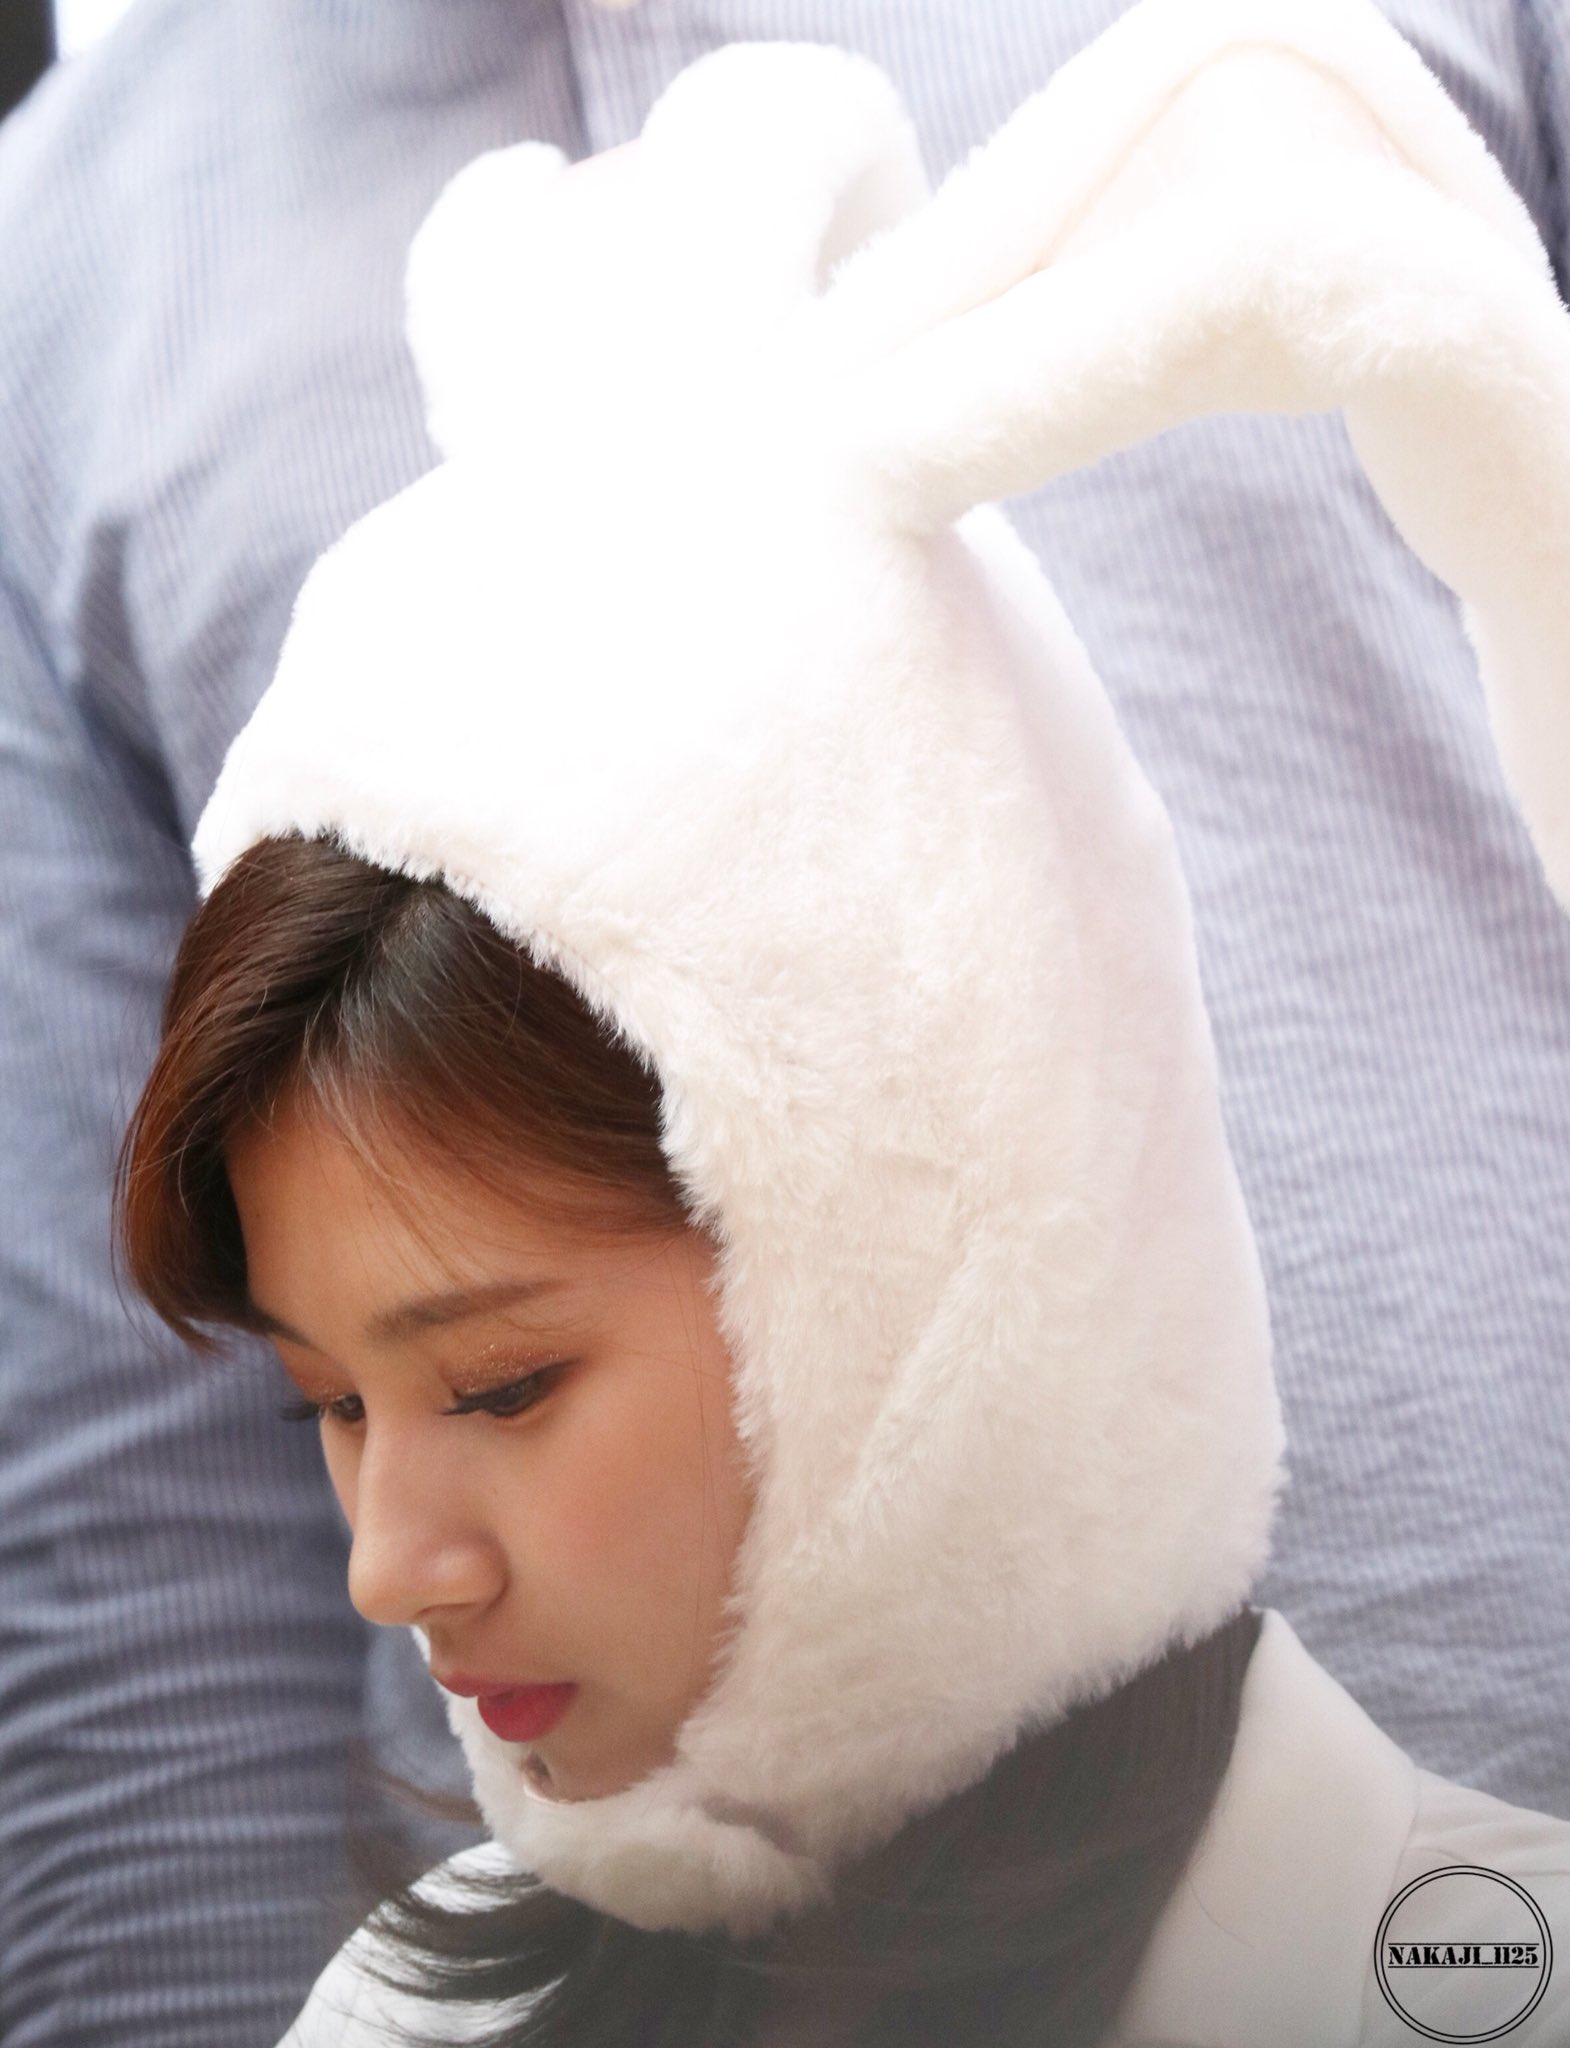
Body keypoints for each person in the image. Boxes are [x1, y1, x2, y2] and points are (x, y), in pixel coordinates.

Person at [5, 2, 1570, 2043]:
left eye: (497, 1387)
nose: (394, 1549)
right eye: (345, 1408)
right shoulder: (69, 272)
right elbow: (131, 1550)